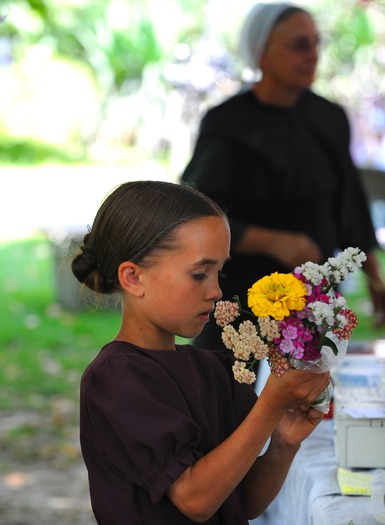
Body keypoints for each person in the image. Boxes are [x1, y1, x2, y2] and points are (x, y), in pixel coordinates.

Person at [71, 180, 330, 525]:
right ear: (133, 278)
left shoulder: (213, 368)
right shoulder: (116, 379)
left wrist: (283, 442)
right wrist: (270, 406)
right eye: (199, 274)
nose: (216, 290)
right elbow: (196, 500)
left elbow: (242, 501)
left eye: (219, 272)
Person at [181, 2, 385, 351]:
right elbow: (195, 211)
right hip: (239, 292)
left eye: (316, 43)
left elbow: (348, 203)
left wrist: (375, 280)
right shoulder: (228, 123)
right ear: (261, 53)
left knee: (310, 394)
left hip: (312, 291)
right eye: (299, 45)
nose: (313, 55)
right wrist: (274, 241)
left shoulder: (328, 117)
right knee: (226, 391)